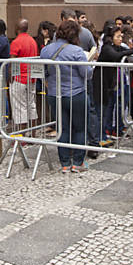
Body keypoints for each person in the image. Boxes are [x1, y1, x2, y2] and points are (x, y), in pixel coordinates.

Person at [40, 20, 91, 172]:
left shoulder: (46, 50)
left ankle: (64, 164)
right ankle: (78, 162)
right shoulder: (76, 51)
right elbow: (87, 74)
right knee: (80, 128)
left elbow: (45, 72)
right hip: (76, 93)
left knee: (62, 128)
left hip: (55, 94)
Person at [94, 23, 133, 139]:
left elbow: (122, 51)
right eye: (118, 37)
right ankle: (99, 137)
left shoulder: (116, 46)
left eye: (121, 36)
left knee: (106, 110)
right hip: (100, 83)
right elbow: (116, 56)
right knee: (101, 112)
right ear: (111, 37)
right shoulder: (107, 48)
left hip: (109, 83)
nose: (120, 39)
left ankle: (103, 135)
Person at [8, 19, 39, 128]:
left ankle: (21, 136)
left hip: (19, 79)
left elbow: (12, 61)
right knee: (31, 105)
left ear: (17, 28)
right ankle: (33, 134)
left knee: (19, 107)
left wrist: (10, 76)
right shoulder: (32, 41)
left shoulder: (16, 42)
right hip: (31, 78)